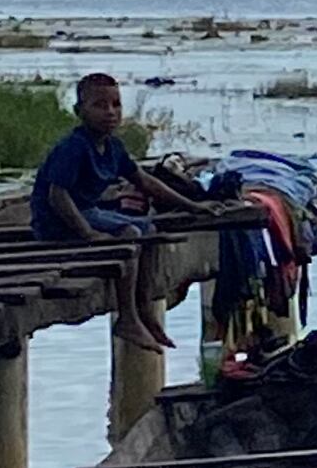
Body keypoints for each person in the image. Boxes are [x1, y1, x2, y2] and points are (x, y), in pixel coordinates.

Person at [32, 72, 208, 357]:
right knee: (129, 234)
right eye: (100, 105)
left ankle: (143, 307)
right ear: (80, 111)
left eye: (116, 105)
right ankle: (127, 317)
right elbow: (57, 196)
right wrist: (88, 234)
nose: (110, 112)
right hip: (57, 223)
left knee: (148, 229)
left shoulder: (113, 147)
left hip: (88, 212)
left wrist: (193, 205)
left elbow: (145, 181)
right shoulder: (74, 147)